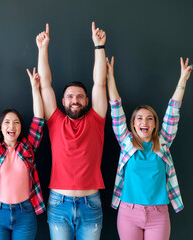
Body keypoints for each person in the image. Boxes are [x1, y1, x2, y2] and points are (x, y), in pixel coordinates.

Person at [36, 22, 107, 239]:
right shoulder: (55, 120)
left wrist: (99, 47)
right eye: (69, 97)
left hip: (90, 204)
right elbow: (45, 84)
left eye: (79, 96)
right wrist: (42, 49)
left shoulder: (96, 119)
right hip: (59, 203)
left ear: (87, 100)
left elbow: (99, 83)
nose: (74, 100)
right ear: (63, 101)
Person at [107, 56, 190, 240]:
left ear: (154, 125)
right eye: (139, 118)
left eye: (149, 118)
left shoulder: (163, 142)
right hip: (128, 212)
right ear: (133, 124)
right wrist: (110, 77)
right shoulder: (126, 142)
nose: (144, 121)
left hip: (158, 214)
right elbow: (116, 107)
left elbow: (173, 110)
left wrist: (182, 80)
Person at [0, 65, 45, 240]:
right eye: (7, 122)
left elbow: (39, 119)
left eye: (16, 122)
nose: (11, 126)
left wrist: (35, 89)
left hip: (25, 213)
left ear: (21, 128)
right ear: (1, 128)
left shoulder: (28, 147)